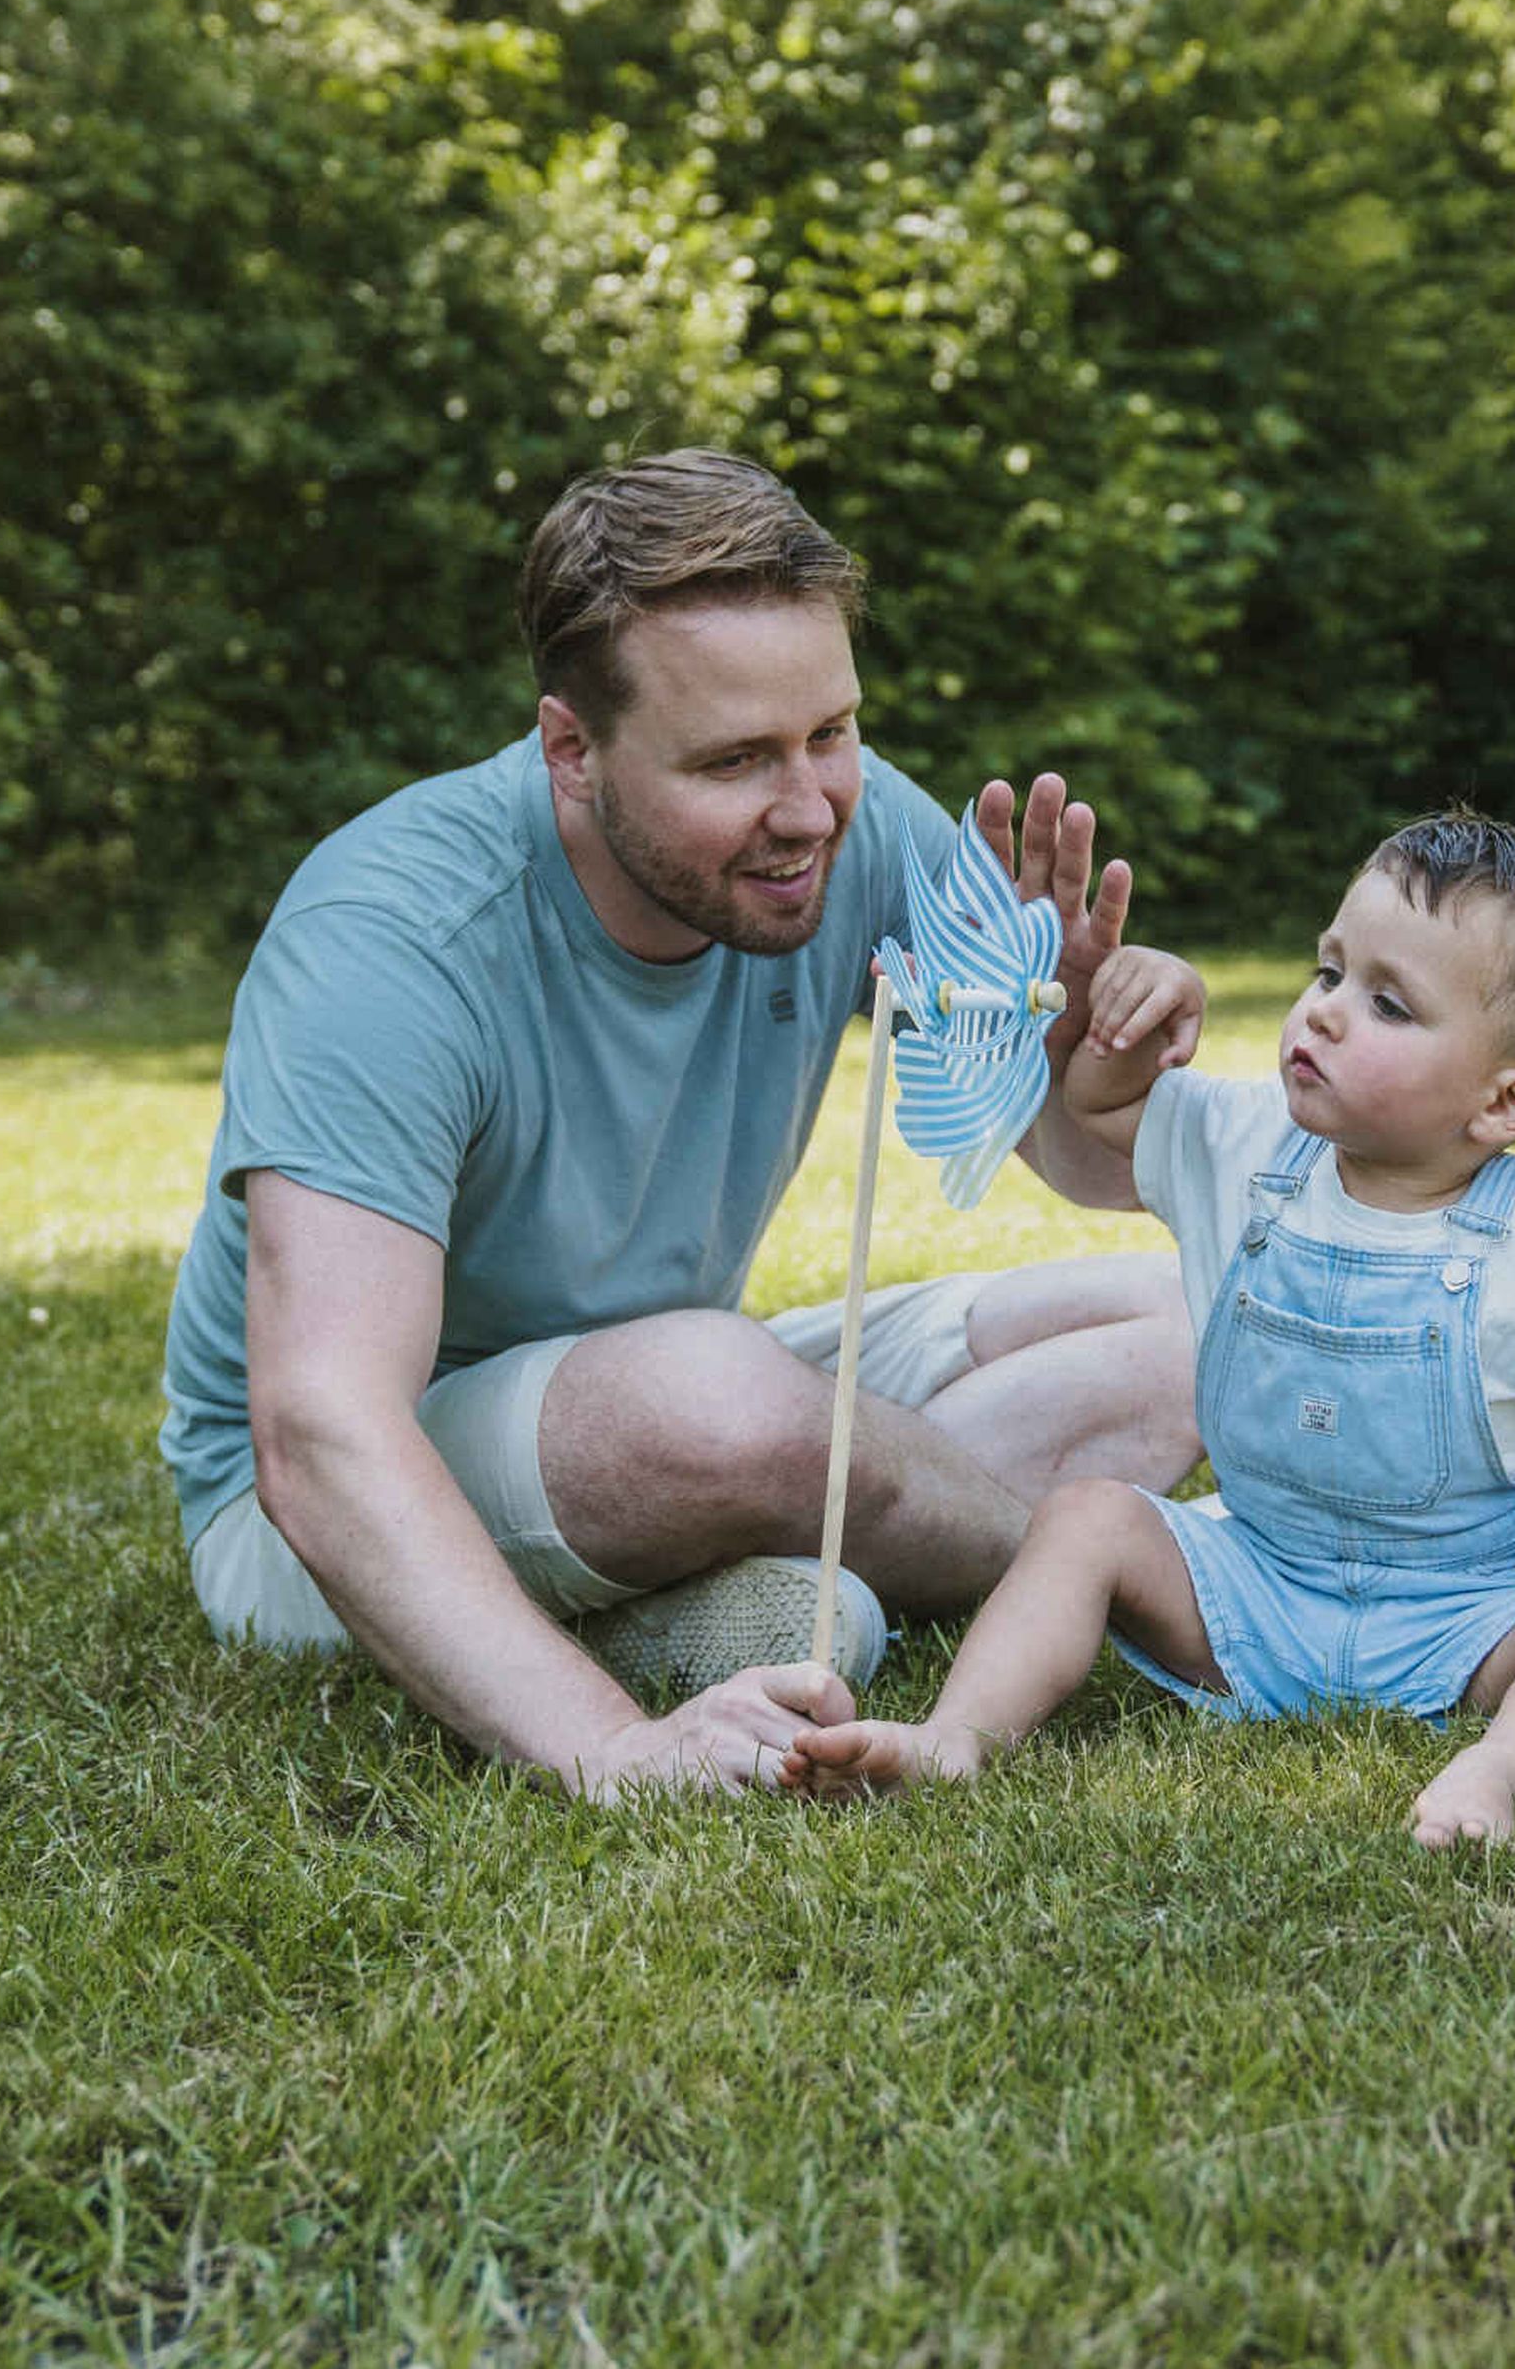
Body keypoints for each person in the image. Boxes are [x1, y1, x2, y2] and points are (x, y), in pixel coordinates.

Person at [154, 450, 1200, 1801]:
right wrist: (614, 1745)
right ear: (570, 748)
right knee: (720, 1404)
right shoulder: (390, 936)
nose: (810, 807)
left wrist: (1091, 1068)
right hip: (331, 1506)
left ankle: (784, 1581)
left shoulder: (853, 825)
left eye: (832, 732)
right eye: (734, 760)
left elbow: (1062, 1153)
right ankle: (1117, 1571)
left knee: (1187, 1322)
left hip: (693, 1393)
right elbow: (322, 1435)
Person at [777, 814, 1515, 1848]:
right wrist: (1135, 1022)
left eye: (1387, 1004)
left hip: (1469, 1612)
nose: (1327, 1014)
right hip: (1254, 1586)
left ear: (1504, 1103)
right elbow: (1103, 1109)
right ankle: (957, 1737)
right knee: (1088, 1517)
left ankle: (1499, 1767)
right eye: (1328, 971)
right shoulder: (1244, 1143)